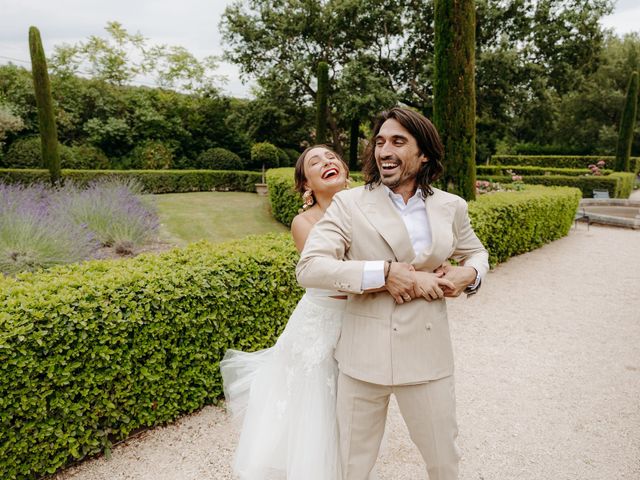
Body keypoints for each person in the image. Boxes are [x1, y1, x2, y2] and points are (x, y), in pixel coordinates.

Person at [296, 107, 490, 480]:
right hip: (361, 360)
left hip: (428, 357)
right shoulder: (348, 204)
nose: (384, 150)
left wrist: (471, 273)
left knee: (444, 462)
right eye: (380, 141)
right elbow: (310, 268)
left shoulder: (452, 206)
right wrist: (382, 273)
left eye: (398, 142)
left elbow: (476, 252)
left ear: (425, 154)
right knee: (351, 466)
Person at [220, 145, 351, 480]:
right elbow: (329, 273)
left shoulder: (368, 208)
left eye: (332, 157)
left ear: (345, 170)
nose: (327, 162)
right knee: (315, 407)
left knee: (351, 408)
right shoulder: (303, 222)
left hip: (359, 322)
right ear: (306, 184)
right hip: (318, 325)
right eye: (315, 162)